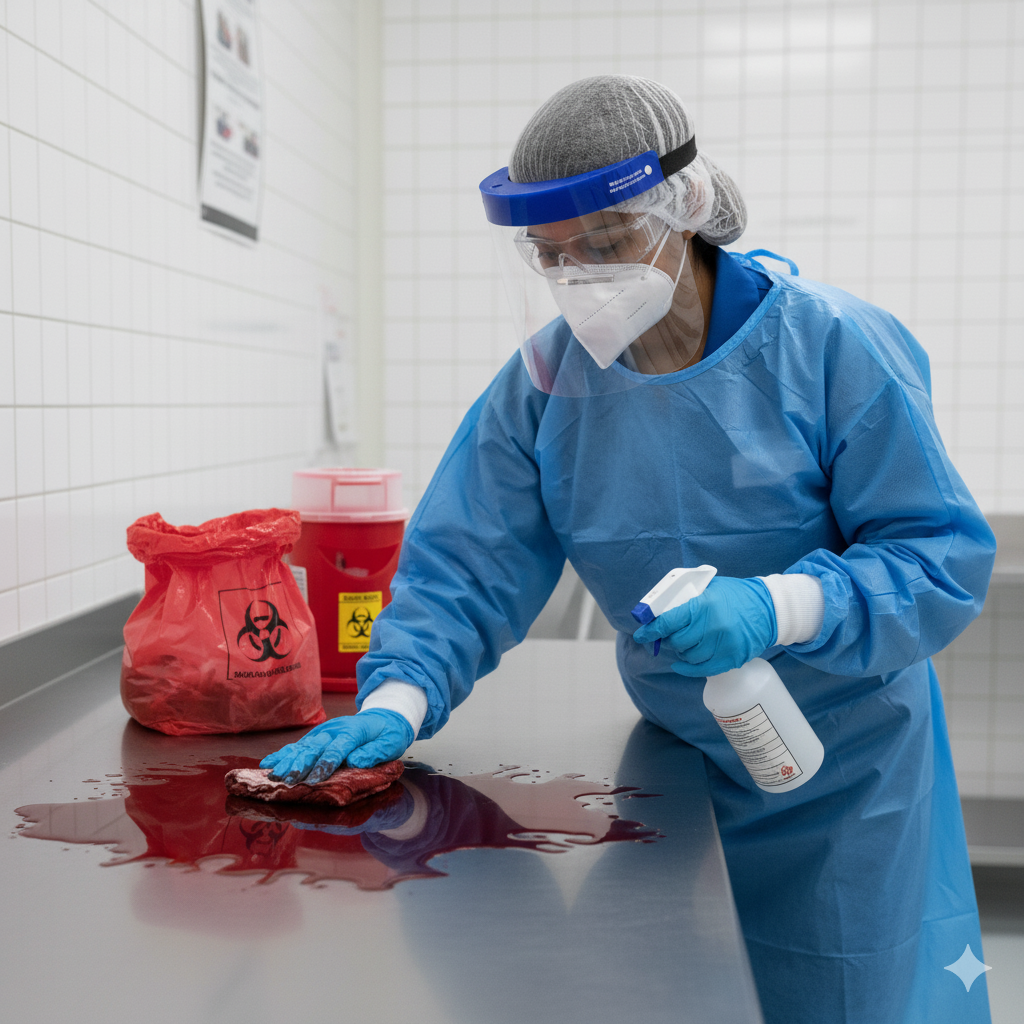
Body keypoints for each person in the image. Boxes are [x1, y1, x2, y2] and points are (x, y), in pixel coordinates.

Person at [262, 75, 995, 1023]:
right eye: (551, 256)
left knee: (846, 987)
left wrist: (779, 606)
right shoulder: (544, 384)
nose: (579, 279)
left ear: (682, 213)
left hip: (845, 763)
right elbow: (466, 563)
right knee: (663, 992)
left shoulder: (831, 344)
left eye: (604, 245)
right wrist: (400, 698)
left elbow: (937, 555)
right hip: (679, 757)